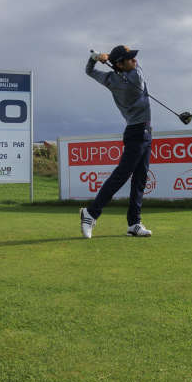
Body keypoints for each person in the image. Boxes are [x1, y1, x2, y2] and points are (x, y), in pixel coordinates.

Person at [79, 45, 154, 238]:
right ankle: (91, 213)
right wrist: (107, 59)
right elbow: (135, 70)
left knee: (140, 179)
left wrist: (96, 58)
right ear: (120, 63)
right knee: (121, 176)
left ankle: (134, 223)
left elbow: (89, 71)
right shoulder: (136, 75)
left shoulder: (110, 79)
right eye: (130, 58)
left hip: (144, 131)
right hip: (137, 132)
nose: (135, 60)